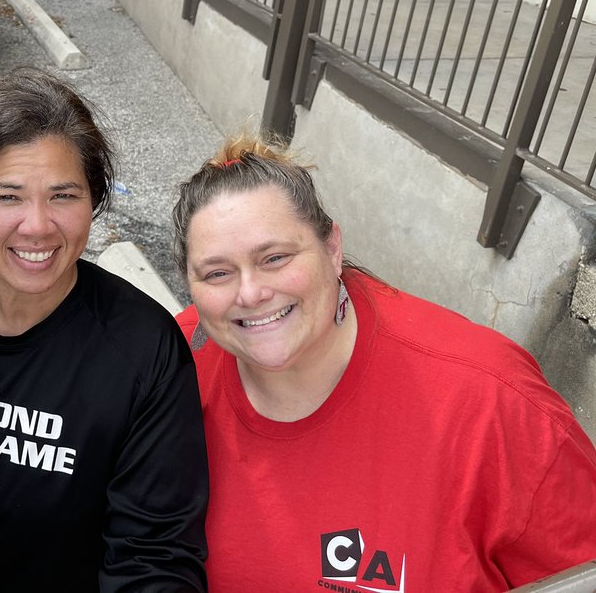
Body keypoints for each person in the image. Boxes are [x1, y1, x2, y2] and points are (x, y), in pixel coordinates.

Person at [172, 135, 596, 591]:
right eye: (217, 273)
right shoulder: (169, 366)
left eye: (275, 258)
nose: (250, 293)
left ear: (332, 248)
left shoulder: (490, 402)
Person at [0, 68, 209, 592]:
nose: (38, 226)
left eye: (64, 195)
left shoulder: (143, 349)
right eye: (7, 197)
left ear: (93, 202)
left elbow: (153, 559)